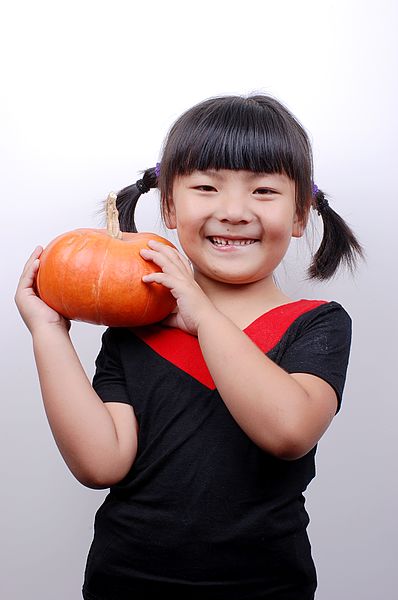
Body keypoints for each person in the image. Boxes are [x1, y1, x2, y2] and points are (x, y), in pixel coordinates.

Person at [15, 93, 364, 600]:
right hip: (126, 583)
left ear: (300, 215)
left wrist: (202, 315)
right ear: (170, 207)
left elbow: (289, 430)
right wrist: (48, 331)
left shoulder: (316, 325)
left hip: (264, 587)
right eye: (206, 187)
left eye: (264, 190)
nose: (234, 211)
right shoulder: (133, 333)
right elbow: (100, 464)